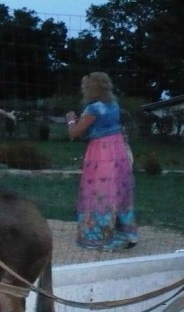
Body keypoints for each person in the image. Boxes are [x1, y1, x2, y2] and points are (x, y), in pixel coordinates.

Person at [66, 72, 137, 251]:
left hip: (101, 152)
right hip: (117, 148)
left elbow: (74, 133)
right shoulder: (113, 105)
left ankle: (98, 235)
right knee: (118, 190)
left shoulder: (93, 109)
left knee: (99, 192)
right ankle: (126, 232)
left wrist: (70, 120)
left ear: (90, 88)